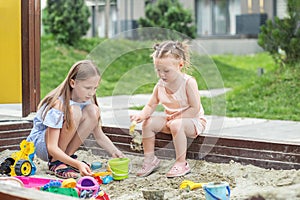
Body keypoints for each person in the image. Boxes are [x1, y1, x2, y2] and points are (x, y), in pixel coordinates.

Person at [27, 60, 124, 179]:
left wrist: (116, 152)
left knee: (93, 110)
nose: (91, 93)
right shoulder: (58, 103)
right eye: (88, 88)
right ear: (72, 83)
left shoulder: (88, 99)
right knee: (75, 111)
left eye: (95, 88)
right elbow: (52, 147)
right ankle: (56, 162)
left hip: (58, 146)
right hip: (43, 145)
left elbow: (99, 135)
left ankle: (66, 158)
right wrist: (78, 164)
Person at [130, 41, 206, 178]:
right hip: (171, 120)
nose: (161, 74)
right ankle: (150, 159)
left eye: (166, 71)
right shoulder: (160, 85)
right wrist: (142, 115)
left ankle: (181, 163)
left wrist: (178, 117)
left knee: (177, 124)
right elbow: (151, 105)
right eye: (158, 70)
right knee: (148, 123)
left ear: (180, 65)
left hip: (192, 121)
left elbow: (195, 108)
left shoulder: (188, 83)